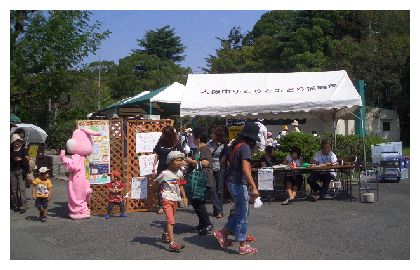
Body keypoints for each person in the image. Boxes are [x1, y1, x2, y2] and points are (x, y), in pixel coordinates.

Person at [213, 121, 260, 255]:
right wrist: (253, 187)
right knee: (242, 215)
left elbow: (224, 162)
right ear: (252, 138)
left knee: (240, 212)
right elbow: (246, 169)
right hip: (239, 184)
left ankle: (222, 233)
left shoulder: (236, 145)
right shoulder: (245, 148)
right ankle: (243, 244)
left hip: (232, 182)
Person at [152, 151, 188, 252]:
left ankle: (166, 234)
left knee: (170, 219)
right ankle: (172, 243)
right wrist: (155, 196)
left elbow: (180, 185)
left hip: (175, 199)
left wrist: (184, 196)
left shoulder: (179, 173)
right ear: (171, 161)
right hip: (166, 199)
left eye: (182, 160)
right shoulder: (164, 174)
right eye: (178, 160)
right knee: (171, 220)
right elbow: (155, 183)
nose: (181, 162)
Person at [185, 127, 214, 235]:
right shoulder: (198, 149)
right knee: (196, 201)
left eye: (193, 136)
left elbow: (205, 163)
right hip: (198, 180)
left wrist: (191, 161)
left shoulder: (204, 149)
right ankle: (202, 224)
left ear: (198, 138)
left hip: (203, 180)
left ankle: (207, 224)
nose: (191, 138)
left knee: (198, 202)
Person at [153, 126, 182, 214]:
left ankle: (175, 201)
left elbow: (180, 155)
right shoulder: (160, 142)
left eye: (164, 134)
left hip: (173, 168)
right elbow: (156, 154)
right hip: (162, 167)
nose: (163, 135)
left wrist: (179, 165)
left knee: (175, 184)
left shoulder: (176, 143)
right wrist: (154, 166)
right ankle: (161, 205)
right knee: (161, 186)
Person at [207, 126, 227, 219]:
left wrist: (222, 163)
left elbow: (226, 156)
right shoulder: (209, 143)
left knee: (220, 191)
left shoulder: (223, 144)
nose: (211, 135)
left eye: (212, 133)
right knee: (212, 189)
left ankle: (218, 210)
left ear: (217, 134)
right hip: (210, 168)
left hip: (220, 168)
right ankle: (218, 210)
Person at [10, 134, 30, 213]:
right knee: (14, 190)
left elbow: (27, 160)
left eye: (19, 141)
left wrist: (22, 159)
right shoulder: (10, 150)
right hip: (11, 171)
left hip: (21, 170)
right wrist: (13, 159)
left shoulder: (23, 150)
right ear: (13, 142)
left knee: (22, 189)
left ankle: (23, 206)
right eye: (16, 141)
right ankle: (15, 204)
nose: (17, 142)